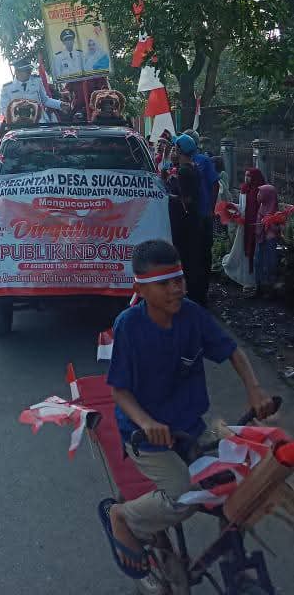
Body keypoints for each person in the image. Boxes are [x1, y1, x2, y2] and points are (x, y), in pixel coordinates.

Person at [104, 239, 274, 577]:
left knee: (238, 477)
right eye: (164, 283)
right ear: (140, 289)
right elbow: (119, 390)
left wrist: (254, 390)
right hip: (144, 436)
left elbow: (232, 351)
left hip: (189, 426)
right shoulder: (128, 326)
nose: (176, 289)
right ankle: (122, 516)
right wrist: (146, 423)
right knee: (186, 495)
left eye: (178, 279)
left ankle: (232, 557)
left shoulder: (193, 315)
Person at [173, 133, 218, 302]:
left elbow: (187, 200)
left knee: (192, 258)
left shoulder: (186, 170)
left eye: (175, 148)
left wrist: (170, 197)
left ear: (180, 150)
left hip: (193, 219)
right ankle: (199, 294)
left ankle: (194, 295)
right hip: (198, 217)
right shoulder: (192, 167)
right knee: (199, 257)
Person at [168, 164, 206, 305]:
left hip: (183, 234)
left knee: (185, 263)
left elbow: (183, 200)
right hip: (193, 231)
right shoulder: (195, 193)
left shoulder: (181, 200)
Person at [1, 57, 67, 122]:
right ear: (17, 72)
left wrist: (60, 104)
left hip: (40, 122)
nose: (29, 73)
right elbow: (5, 109)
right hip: (20, 124)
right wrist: (16, 121)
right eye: (26, 70)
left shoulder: (36, 81)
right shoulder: (7, 88)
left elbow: (45, 100)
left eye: (29, 70)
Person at [255, 184, 280, 296]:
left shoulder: (276, 212)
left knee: (270, 263)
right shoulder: (261, 207)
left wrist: (270, 223)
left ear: (268, 195)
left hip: (270, 239)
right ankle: (259, 287)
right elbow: (258, 223)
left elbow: (278, 228)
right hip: (261, 238)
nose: (258, 195)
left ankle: (270, 290)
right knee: (258, 262)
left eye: (260, 193)